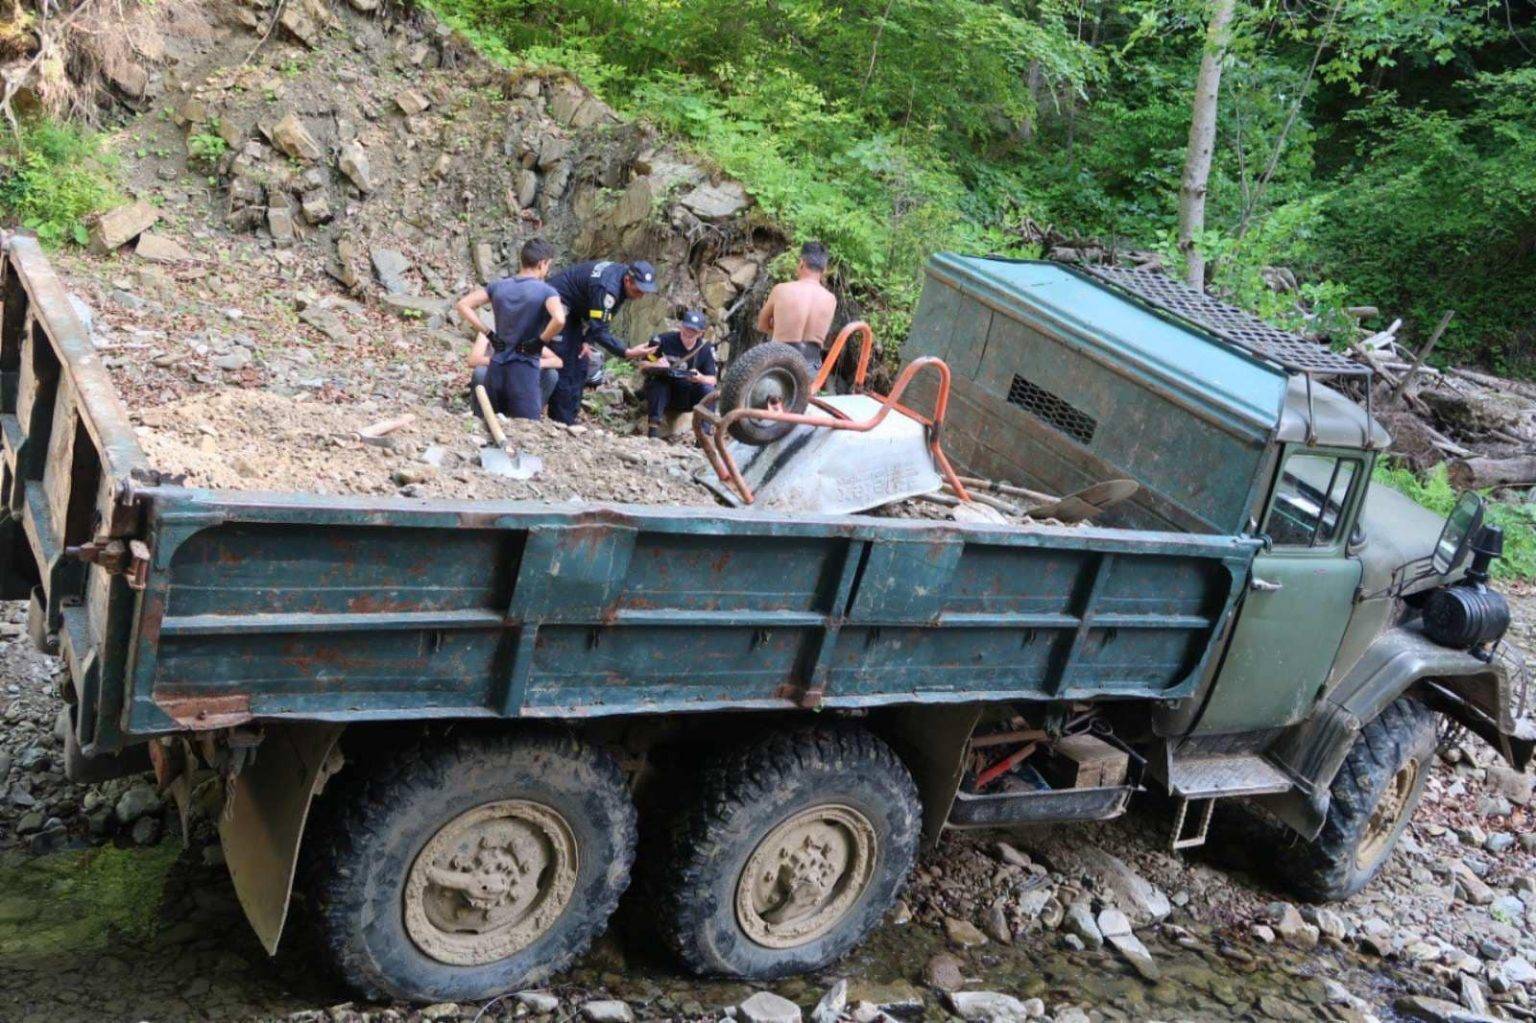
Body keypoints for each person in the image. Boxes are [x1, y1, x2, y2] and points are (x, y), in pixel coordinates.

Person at [455, 239, 567, 420]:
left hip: (496, 370)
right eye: (548, 265)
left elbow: (463, 305)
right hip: (524, 372)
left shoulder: (498, 286)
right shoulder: (546, 291)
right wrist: (540, 341)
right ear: (542, 263)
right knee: (524, 430)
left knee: (489, 426)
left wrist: (488, 333)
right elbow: (559, 319)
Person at [544, 259, 659, 424]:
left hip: (575, 310)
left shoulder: (621, 278)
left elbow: (601, 319)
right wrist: (626, 352)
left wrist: (587, 340)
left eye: (645, 291)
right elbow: (600, 329)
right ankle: (561, 421)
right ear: (628, 280)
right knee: (566, 364)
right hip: (557, 306)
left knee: (581, 361)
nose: (642, 295)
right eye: (639, 290)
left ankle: (569, 418)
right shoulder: (607, 288)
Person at [626, 310, 717, 438]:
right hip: (666, 393)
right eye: (687, 328)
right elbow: (642, 366)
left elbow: (713, 380)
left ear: (701, 333)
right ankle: (653, 431)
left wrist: (699, 377)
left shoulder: (705, 348)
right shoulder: (664, 340)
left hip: (689, 395)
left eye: (693, 331)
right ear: (681, 326)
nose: (688, 333)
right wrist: (656, 365)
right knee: (658, 383)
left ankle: (703, 436)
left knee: (708, 390)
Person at [755, 240, 837, 377]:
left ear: (801, 263)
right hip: (810, 367)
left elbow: (762, 325)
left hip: (779, 359)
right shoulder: (831, 300)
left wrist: (781, 327)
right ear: (824, 270)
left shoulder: (781, 290)